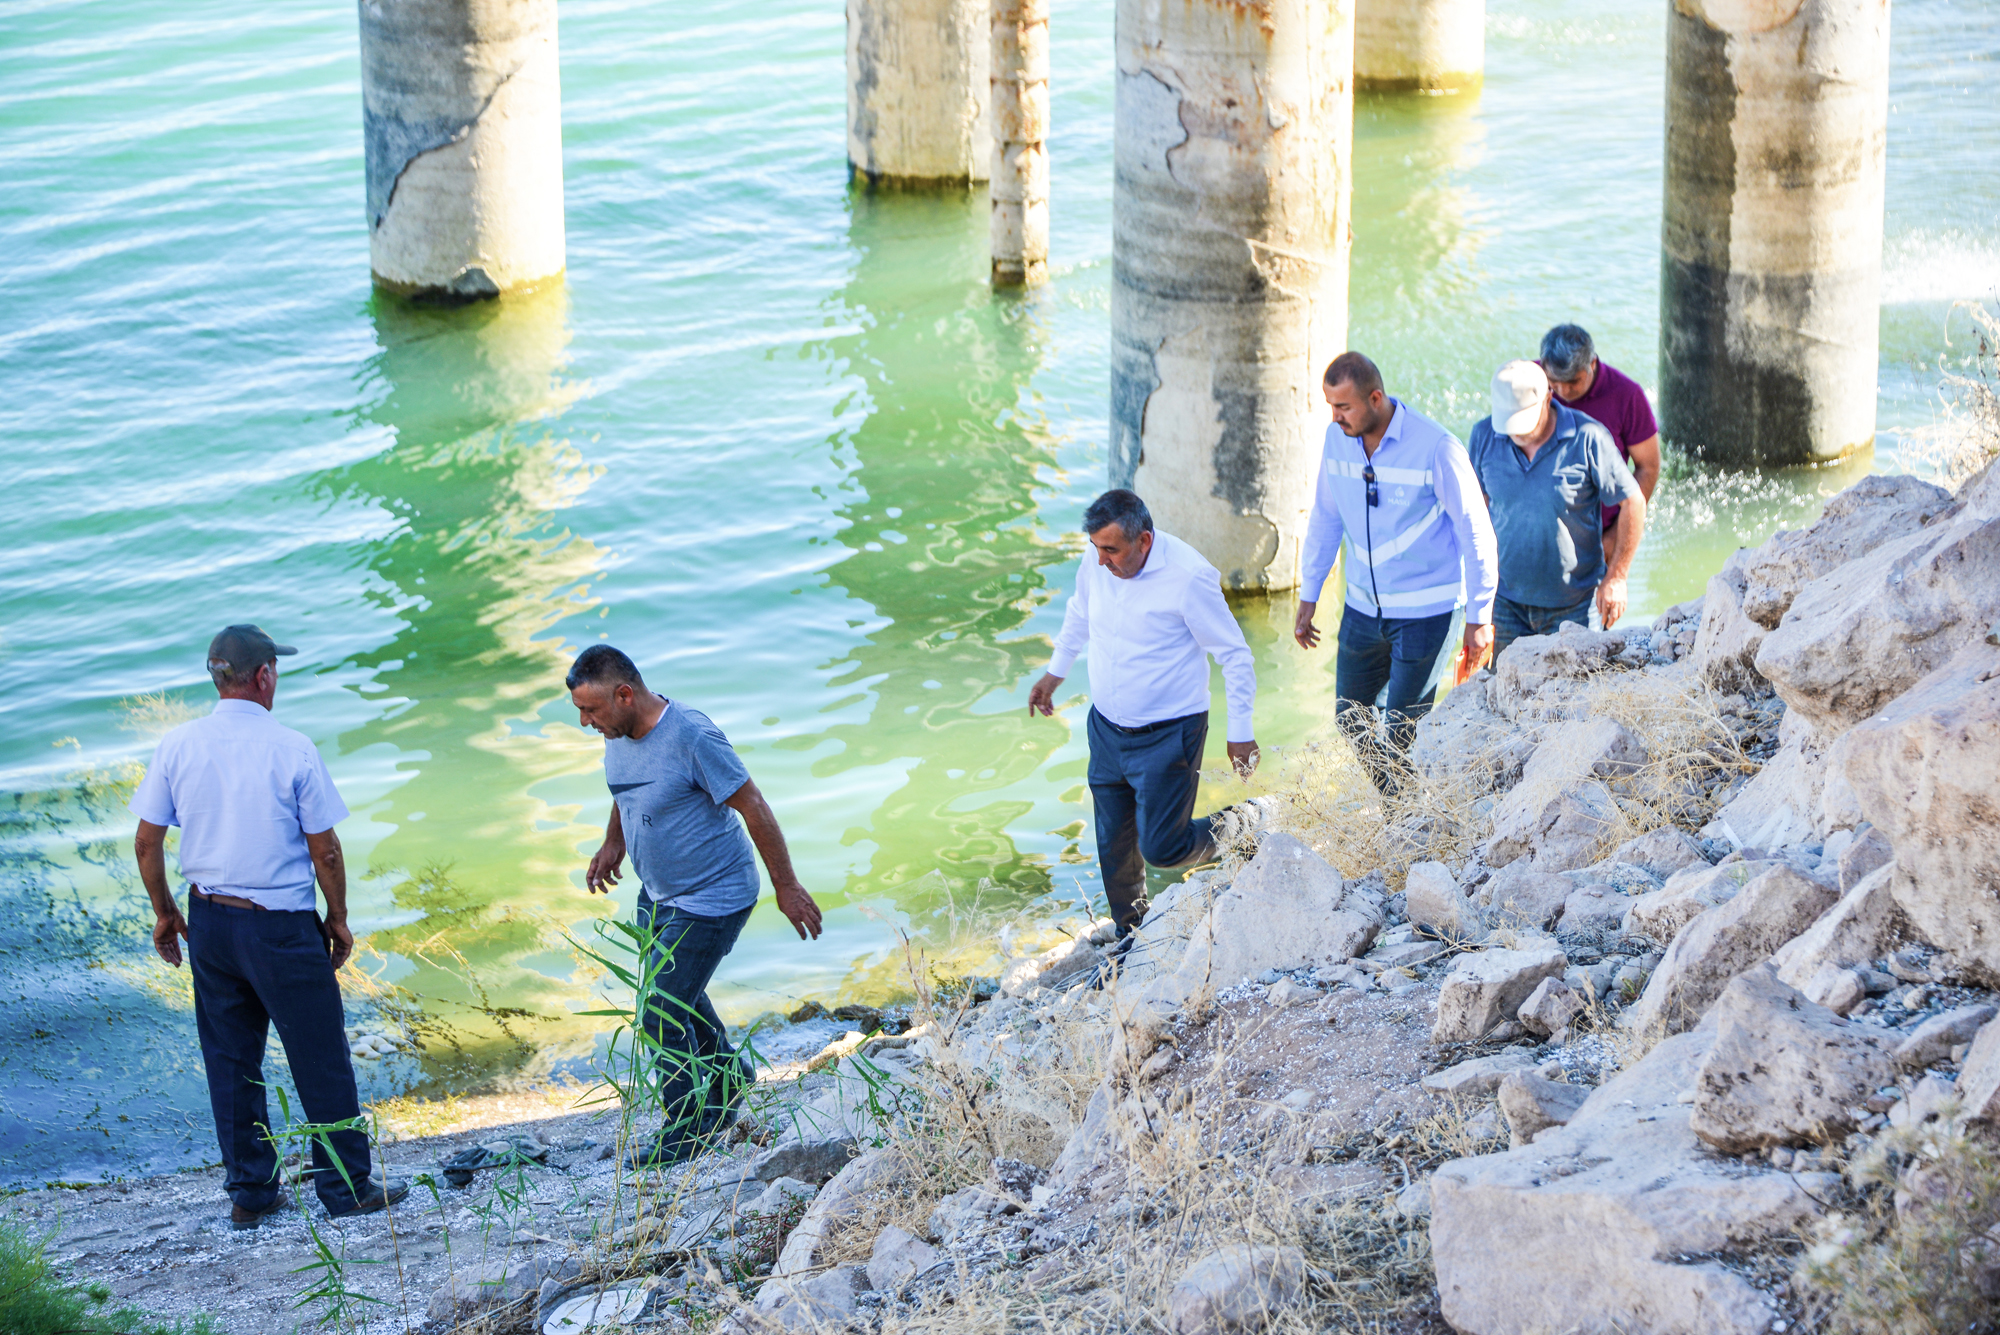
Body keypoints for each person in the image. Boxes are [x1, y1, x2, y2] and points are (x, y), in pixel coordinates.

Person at [130, 625, 405, 1229]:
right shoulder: (293, 748)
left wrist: (165, 913)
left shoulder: (177, 744)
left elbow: (147, 842)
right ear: (263, 676)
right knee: (319, 1055)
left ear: (217, 677)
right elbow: (325, 851)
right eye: (275, 668)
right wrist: (337, 918)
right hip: (278, 926)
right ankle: (344, 1186)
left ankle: (251, 1194)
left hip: (209, 920)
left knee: (231, 1060)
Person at [567, 645, 823, 1168]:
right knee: (675, 992)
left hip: (713, 895)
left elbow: (753, 804)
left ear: (624, 695)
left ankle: (687, 1129)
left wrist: (788, 886)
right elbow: (626, 791)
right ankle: (729, 1074)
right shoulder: (618, 733)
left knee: (661, 1012)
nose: (584, 721)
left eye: (590, 711)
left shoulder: (692, 737)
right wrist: (613, 842)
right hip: (659, 892)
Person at [1027, 490, 1258, 944]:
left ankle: (1249, 822)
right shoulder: (1098, 558)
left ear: (1145, 542)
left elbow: (1235, 656)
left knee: (1163, 848)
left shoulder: (1188, 578)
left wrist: (1241, 734)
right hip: (1107, 729)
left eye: (1110, 550)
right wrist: (1055, 673)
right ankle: (1131, 934)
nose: (1100, 560)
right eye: (1096, 548)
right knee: (1114, 846)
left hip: (1169, 734)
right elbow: (1079, 611)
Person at [1295, 352, 1500, 783]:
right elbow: (1326, 518)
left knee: (1403, 733)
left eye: (1344, 406)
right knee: (1351, 719)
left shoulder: (1436, 447)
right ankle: (1403, 810)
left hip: (1428, 612)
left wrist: (1480, 617)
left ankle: (1407, 825)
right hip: (1362, 610)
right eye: (1330, 406)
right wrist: (1309, 593)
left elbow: (1475, 531)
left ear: (1375, 398)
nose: (1335, 417)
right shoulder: (1337, 441)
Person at [1466, 361, 1648, 659]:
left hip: (1576, 606)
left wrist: (1616, 577)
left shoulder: (1588, 437)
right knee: (1508, 698)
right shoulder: (1484, 435)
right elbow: (1475, 513)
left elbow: (1633, 501)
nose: (1516, 433)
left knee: (1577, 698)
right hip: (1505, 604)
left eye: (1523, 421)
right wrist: (1477, 604)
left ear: (1548, 398)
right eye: (1508, 422)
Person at [1540, 324, 1661, 537]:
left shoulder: (1627, 395)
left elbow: (1648, 467)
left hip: (1599, 536)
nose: (1563, 391)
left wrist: (1616, 536)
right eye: (1555, 382)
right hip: (1541, 533)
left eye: (1573, 381)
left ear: (1592, 364)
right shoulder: (1532, 382)